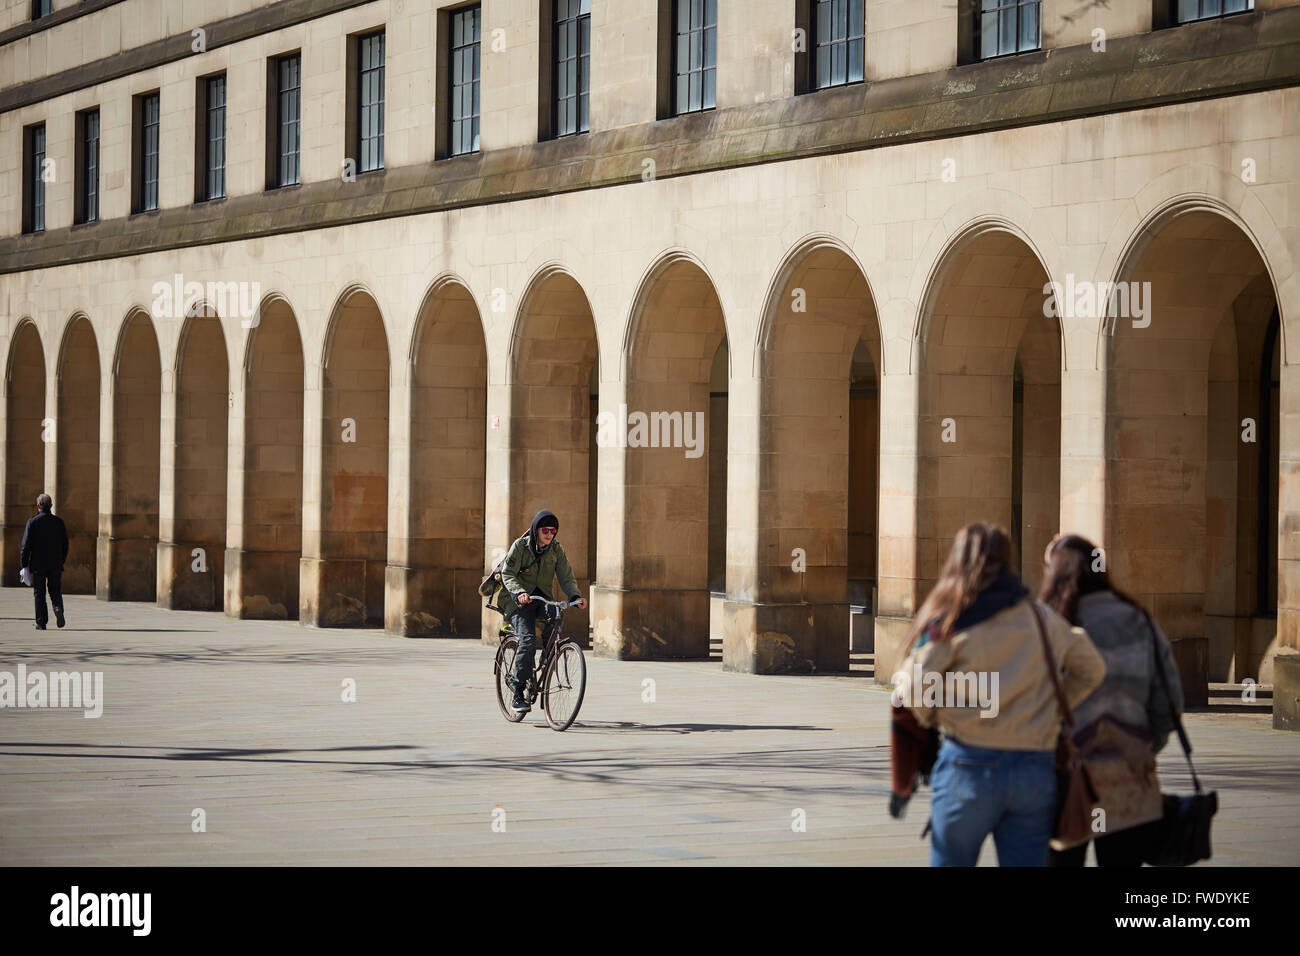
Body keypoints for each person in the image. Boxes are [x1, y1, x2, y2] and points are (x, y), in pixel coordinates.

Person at [892, 523, 1105, 866]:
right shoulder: (1042, 618)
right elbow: (1092, 668)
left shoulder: (954, 623)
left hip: (969, 765)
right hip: (1033, 768)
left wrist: (937, 714)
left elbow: (913, 687)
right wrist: (1050, 707)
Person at [1039, 533, 1184, 867]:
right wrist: (1144, 745)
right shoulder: (1139, 620)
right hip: (1128, 773)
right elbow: (1169, 702)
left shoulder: (1049, 624)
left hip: (1062, 775)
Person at [497, 509, 586, 714]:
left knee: (555, 617)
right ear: (537, 530)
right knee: (527, 640)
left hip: (541, 598)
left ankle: (545, 661)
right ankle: (519, 690)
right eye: (545, 530)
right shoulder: (520, 547)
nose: (549, 534)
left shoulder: (556, 549)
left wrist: (574, 596)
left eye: (553, 530)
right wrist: (519, 592)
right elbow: (508, 573)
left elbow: (566, 575)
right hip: (517, 601)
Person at [20, 493, 69, 631]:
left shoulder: (33, 522)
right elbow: (65, 544)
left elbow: (26, 545)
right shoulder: (59, 522)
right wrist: (62, 560)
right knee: (55, 589)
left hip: (38, 565)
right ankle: (58, 608)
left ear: (38, 506)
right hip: (55, 564)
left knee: (39, 593)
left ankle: (41, 623)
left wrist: (24, 564)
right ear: (51, 506)